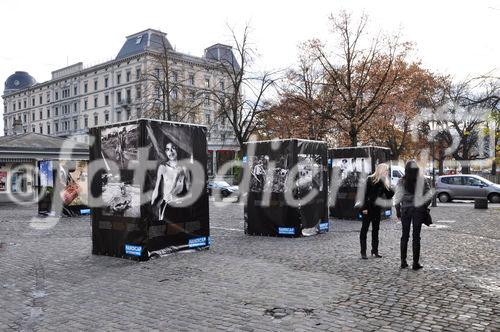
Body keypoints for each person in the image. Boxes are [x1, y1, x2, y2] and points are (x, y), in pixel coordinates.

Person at [394, 160, 432, 270]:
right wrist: (424, 206)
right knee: (416, 237)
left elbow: (397, 197)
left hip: (405, 210)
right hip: (418, 210)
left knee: (404, 236)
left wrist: (398, 211)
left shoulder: (401, 181)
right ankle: (415, 263)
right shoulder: (422, 180)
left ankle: (403, 261)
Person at [360, 163, 394, 259]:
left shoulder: (383, 181)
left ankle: (375, 250)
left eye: (387, 171)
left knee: (376, 231)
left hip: (377, 209)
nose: (387, 172)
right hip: (368, 208)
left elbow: (389, 195)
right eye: (386, 170)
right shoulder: (369, 179)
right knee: (364, 230)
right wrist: (364, 208)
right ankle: (363, 252)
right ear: (381, 170)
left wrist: (388, 185)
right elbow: (364, 195)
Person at [151, 142, 190, 220]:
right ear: (166, 152)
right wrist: (152, 204)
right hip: (166, 207)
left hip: (180, 208)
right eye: (168, 149)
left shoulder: (184, 168)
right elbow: (156, 190)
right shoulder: (162, 168)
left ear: (177, 150)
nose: (171, 151)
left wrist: (180, 200)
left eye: (173, 148)